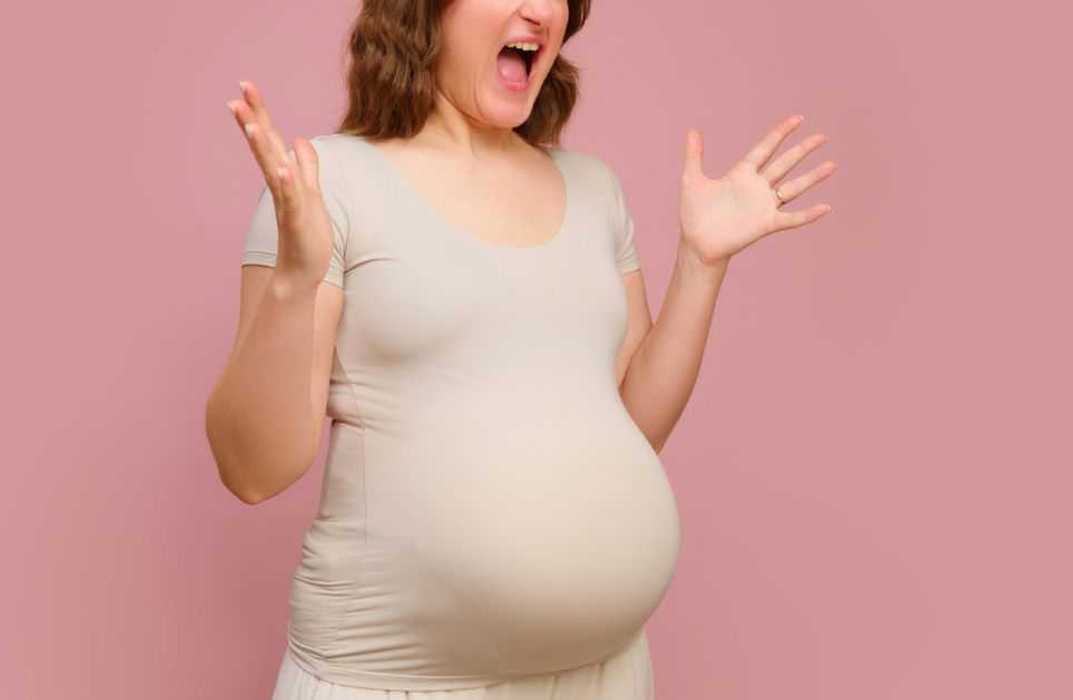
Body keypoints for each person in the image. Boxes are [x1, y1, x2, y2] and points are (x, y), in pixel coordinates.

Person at [205, 0, 837, 697]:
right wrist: (295, 281)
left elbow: (629, 426)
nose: (539, 10)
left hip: (606, 678)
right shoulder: (327, 186)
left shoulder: (592, 187)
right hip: (398, 682)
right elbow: (251, 469)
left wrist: (701, 263)